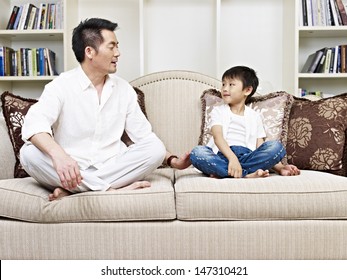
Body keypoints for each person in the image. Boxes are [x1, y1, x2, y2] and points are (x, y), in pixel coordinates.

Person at [20, 18, 190, 201]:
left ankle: (76, 190)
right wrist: (60, 157)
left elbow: (145, 138)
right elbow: (34, 126)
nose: (118, 53)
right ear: (90, 51)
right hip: (71, 168)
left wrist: (173, 160)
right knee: (28, 153)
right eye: (112, 47)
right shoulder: (61, 86)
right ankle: (108, 190)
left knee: (155, 148)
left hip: (113, 167)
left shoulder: (124, 89)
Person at [190, 66, 300, 178]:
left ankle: (225, 172)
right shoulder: (218, 111)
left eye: (231, 85)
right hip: (222, 155)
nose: (225, 89)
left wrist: (281, 168)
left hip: (248, 156)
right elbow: (218, 138)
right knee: (197, 152)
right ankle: (246, 174)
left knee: (276, 147)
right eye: (223, 84)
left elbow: (259, 145)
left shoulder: (255, 116)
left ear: (247, 90)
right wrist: (232, 159)